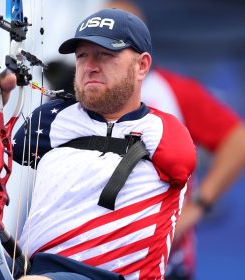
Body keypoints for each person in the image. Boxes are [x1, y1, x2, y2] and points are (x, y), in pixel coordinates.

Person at [0, 8, 197, 280]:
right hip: (32, 270)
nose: (90, 65)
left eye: (105, 54)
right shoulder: (51, 121)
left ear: (142, 65)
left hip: (105, 277)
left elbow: (182, 164)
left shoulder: (162, 131)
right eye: (82, 56)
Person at [43, 1, 245, 279]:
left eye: (110, 51)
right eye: (90, 51)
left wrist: (199, 205)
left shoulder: (171, 91)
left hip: (160, 264)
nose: (95, 62)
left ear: (141, 55)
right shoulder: (75, 95)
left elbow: (238, 140)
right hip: (79, 260)